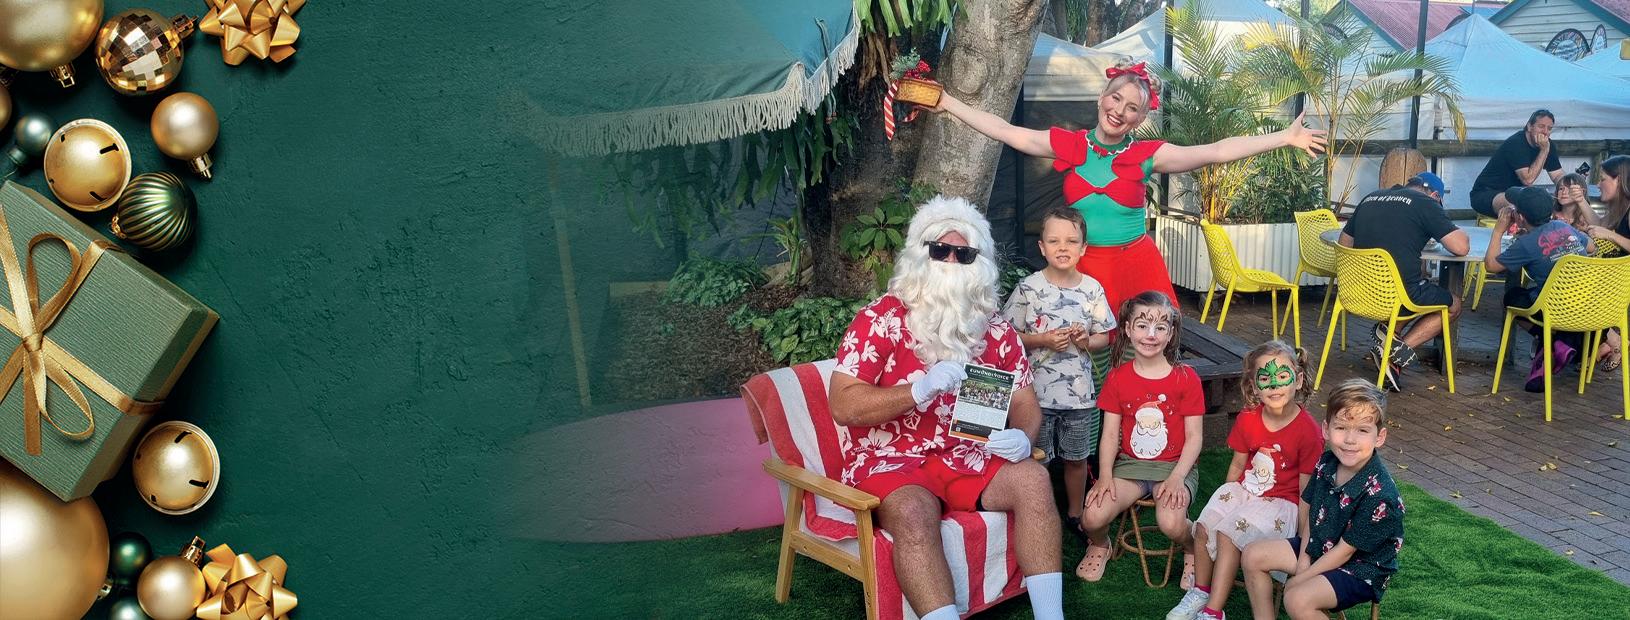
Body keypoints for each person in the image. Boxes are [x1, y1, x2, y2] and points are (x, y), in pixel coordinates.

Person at [927, 60, 1326, 314]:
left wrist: (1283, 137)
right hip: (1084, 265)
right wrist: (947, 102)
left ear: (1140, 118)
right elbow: (1006, 131)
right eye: (1115, 99)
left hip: (1137, 264)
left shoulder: (1150, 154)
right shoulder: (1070, 145)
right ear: (1102, 98)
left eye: (1131, 107)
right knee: (1088, 352)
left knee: (1148, 348)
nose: (1119, 111)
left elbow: (1217, 150)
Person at [829, 195, 1065, 620]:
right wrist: (916, 391)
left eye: (964, 253)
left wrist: (1022, 435)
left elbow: (1025, 402)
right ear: (920, 254)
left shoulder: (997, 330)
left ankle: (1052, 617)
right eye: (941, 250)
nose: (952, 261)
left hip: (968, 455)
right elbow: (843, 404)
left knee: (1033, 479)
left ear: (980, 262)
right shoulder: (880, 319)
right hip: (892, 460)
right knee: (913, 511)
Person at [1166, 341, 1325, 620]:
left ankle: (1214, 612)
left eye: (1282, 376)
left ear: (1298, 380)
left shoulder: (1308, 432)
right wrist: (1225, 501)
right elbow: (1238, 465)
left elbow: (1305, 490)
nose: (1274, 385)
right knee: (1204, 525)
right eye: (1265, 379)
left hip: (1282, 504)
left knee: (1228, 533)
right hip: (1246, 491)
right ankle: (1200, 592)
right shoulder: (1248, 417)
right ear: (1254, 386)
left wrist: (1302, 540)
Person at [1239, 379, 1404, 620]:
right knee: (1253, 555)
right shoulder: (1327, 462)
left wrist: (1300, 578)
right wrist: (1304, 559)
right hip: (1322, 543)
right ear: (1326, 429)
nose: (1350, 439)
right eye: (1341, 428)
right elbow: (1313, 512)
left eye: (1362, 430)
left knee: (1296, 598)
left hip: (1360, 566)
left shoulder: (1381, 495)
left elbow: (1345, 552)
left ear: (1379, 437)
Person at [1002, 206, 1117, 545]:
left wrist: (1086, 340)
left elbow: (1105, 336)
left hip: (1078, 396)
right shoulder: (1028, 288)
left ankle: (1075, 514)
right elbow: (1007, 336)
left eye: (1071, 241)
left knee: (1076, 458)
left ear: (1083, 248)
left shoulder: (1092, 289)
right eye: (1054, 241)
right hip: (1034, 397)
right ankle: (1040, 513)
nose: (1062, 247)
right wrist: (1042, 340)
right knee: (1037, 458)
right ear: (1042, 247)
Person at [1074, 291, 1204, 583]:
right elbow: (1110, 435)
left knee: (1171, 523)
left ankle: (1193, 546)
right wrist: (1105, 476)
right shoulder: (1117, 377)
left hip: (1174, 466)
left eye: (1160, 327)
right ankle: (1100, 545)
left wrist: (1178, 477)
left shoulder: (1186, 378)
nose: (1151, 335)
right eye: (1143, 326)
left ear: (1171, 333)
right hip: (1130, 466)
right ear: (1128, 329)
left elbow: (1195, 437)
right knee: (1091, 517)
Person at [1339, 172, 1470, 391]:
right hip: (1398, 296)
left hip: (1359, 292)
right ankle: (1393, 354)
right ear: (1435, 196)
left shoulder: (1371, 197)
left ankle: (1388, 336)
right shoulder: (1426, 203)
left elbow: (1344, 243)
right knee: (1453, 304)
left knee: (1416, 284)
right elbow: (1461, 247)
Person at [1485, 185, 1618, 388]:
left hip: (1555, 310)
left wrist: (1498, 230)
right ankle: (1563, 342)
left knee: (1512, 297)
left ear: (1520, 217)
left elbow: (1491, 265)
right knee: (1543, 298)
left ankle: (1552, 342)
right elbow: (1591, 247)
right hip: (1589, 307)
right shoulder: (1562, 227)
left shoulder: (1525, 244)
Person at [1469, 109, 1565, 218]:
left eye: (1549, 128)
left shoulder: (1547, 145)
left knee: (1555, 202)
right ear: (1529, 127)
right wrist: (1544, 151)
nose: (1545, 132)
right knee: (1522, 205)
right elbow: (1528, 180)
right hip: (1486, 193)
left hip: (1516, 193)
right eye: (1541, 126)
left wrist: (1568, 187)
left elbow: (1557, 175)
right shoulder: (1517, 143)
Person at [1584, 154, 1630, 257]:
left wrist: (1610, 235)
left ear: (1619, 180)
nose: (1598, 185)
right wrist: (1580, 200)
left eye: (1602, 179)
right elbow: (1600, 224)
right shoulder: (1620, 208)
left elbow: (1604, 232)